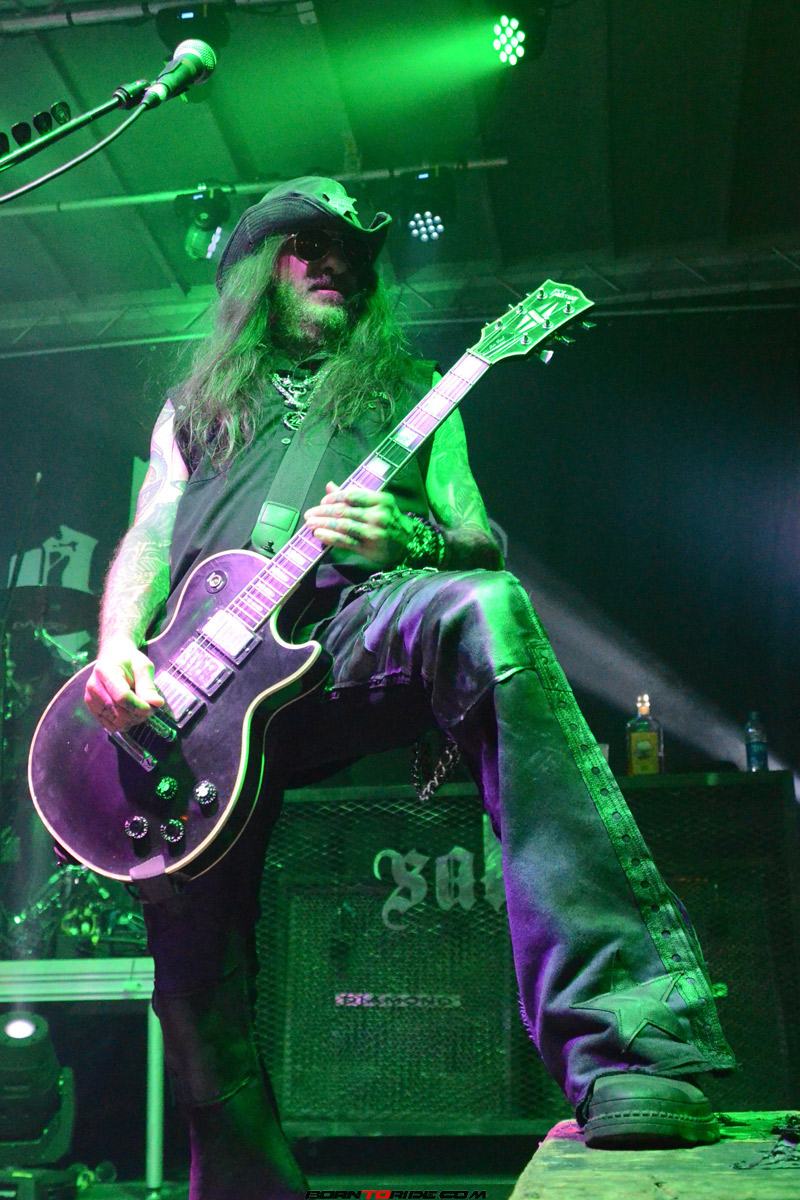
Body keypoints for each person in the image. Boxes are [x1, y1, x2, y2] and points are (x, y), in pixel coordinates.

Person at [84, 178, 734, 1199]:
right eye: (308, 245)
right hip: (194, 695)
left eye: (352, 250)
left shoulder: (413, 390)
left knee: (484, 610)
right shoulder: (194, 409)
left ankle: (625, 1047)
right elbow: (152, 534)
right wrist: (118, 644)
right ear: (255, 270)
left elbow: (478, 540)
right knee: (195, 974)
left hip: (346, 639)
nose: (336, 261)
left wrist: (414, 539)